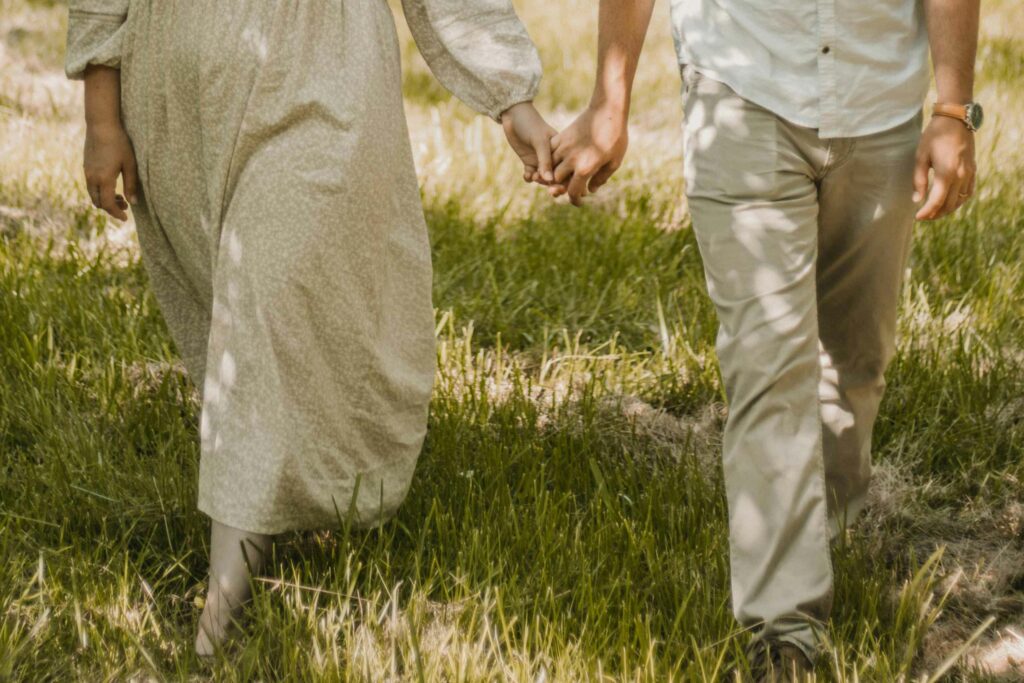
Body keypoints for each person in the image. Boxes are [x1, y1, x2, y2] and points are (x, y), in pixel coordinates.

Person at [65, 0, 556, 656]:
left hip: (326, 72)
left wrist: (509, 97)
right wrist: (102, 116)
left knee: (262, 304)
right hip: (180, 93)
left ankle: (221, 613)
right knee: (251, 322)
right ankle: (285, 489)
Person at [548, 0, 981, 678]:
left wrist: (953, 110)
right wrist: (611, 101)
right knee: (768, 363)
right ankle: (785, 629)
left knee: (855, 363)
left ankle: (822, 528)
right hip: (742, 84)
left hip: (880, 98)